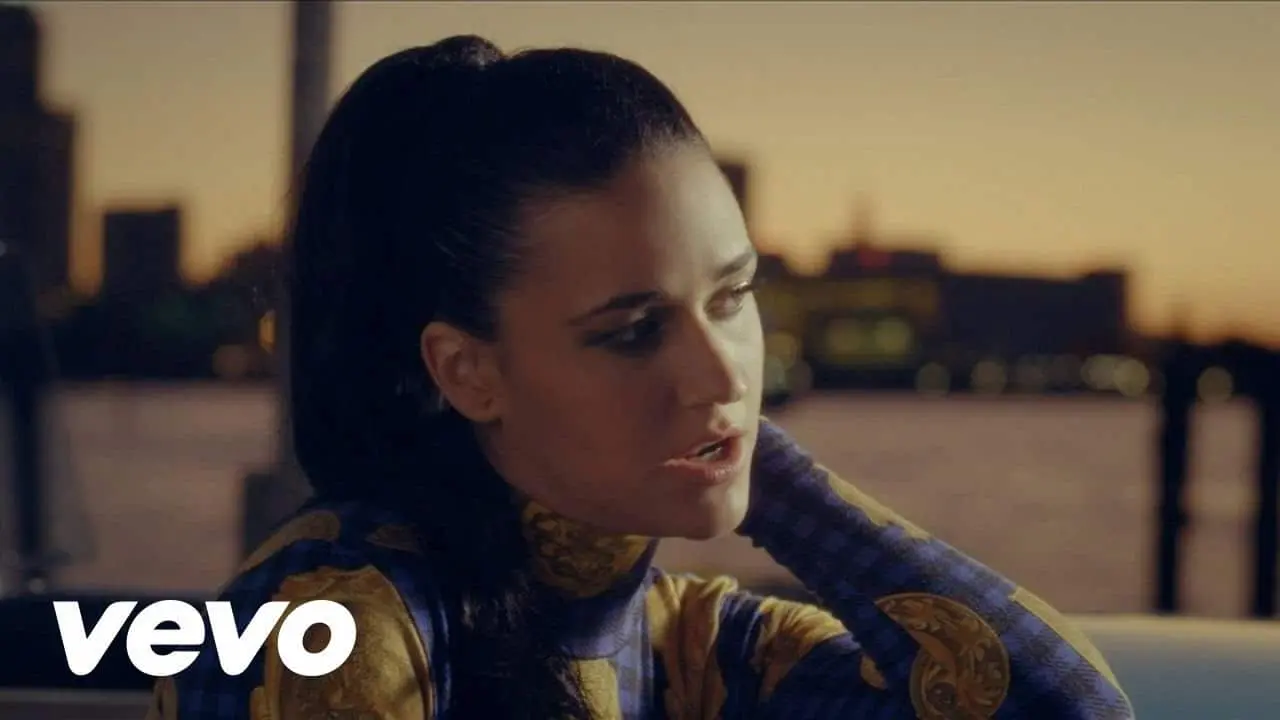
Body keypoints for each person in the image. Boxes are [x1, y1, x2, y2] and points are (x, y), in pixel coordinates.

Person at [147, 35, 1134, 720]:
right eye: (631, 332)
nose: (718, 371)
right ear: (467, 371)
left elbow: (1067, 712)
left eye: (732, 297)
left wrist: (746, 463)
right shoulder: (327, 628)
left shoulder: (683, 644)